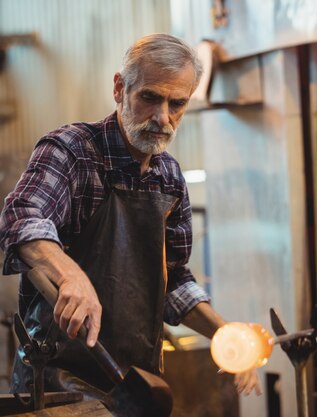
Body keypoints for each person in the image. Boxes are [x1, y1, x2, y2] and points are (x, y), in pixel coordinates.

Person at [0, 33, 260, 397]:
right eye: (150, 98)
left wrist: (227, 334)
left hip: (135, 382)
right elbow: (22, 216)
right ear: (120, 88)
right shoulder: (72, 150)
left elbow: (173, 283)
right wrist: (71, 276)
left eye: (177, 104)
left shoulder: (169, 178)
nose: (162, 117)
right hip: (57, 382)